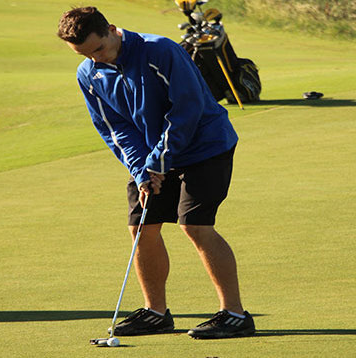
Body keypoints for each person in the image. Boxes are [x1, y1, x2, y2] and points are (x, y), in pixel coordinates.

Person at [57, 6, 255, 339]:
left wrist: (158, 162)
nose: (96, 59)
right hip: (152, 157)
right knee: (141, 228)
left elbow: (187, 110)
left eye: (98, 49)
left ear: (111, 29)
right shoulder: (88, 73)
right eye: (85, 55)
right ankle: (156, 313)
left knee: (195, 225)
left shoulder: (159, 50)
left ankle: (235, 314)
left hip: (206, 145)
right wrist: (141, 169)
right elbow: (115, 128)